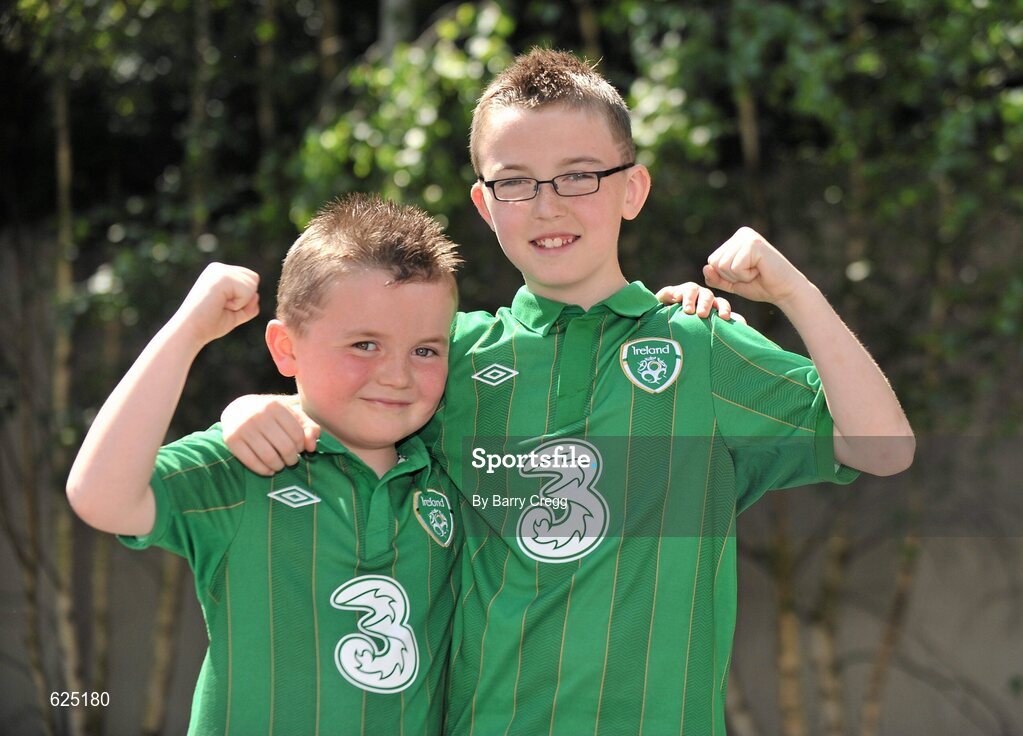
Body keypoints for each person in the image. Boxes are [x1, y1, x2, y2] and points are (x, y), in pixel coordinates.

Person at [221, 50, 915, 735]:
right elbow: (336, 417)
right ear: (485, 205)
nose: (546, 205)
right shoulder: (450, 355)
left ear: (632, 189)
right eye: (515, 182)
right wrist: (256, 408)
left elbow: (883, 449)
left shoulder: (698, 348)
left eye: (578, 176)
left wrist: (792, 291)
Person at [66, 194, 465, 735]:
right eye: (365, 344)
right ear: (285, 349)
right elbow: (100, 497)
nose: (397, 375)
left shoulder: (454, 473)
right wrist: (187, 333)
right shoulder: (251, 464)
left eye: (425, 351)